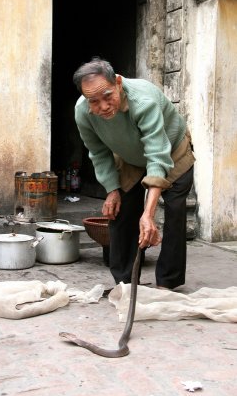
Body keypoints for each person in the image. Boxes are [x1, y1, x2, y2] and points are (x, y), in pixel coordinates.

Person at [73, 57, 195, 290]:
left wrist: (148, 214)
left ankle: (167, 284)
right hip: (130, 157)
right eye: (94, 101)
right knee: (120, 211)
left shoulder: (143, 101)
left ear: (118, 82)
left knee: (175, 210)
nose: (103, 106)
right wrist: (112, 190)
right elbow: (98, 153)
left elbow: (157, 156)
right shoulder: (83, 112)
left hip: (172, 150)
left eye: (108, 96)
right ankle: (125, 282)